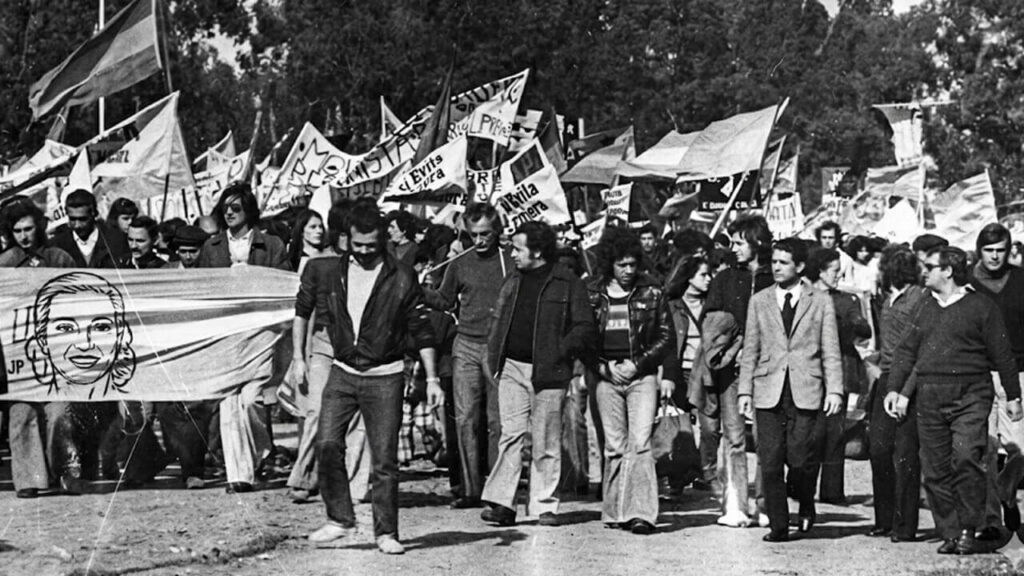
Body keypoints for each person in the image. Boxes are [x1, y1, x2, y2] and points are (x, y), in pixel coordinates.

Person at [297, 202, 440, 555]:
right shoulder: (328, 271)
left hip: (385, 376)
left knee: (384, 458)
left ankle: (386, 531)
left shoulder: (402, 276)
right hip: (343, 372)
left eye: (371, 246)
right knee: (327, 443)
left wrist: (433, 378)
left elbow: (422, 331)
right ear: (347, 239)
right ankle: (340, 518)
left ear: (382, 241)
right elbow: (302, 310)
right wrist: (299, 358)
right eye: (357, 245)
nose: (363, 253)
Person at [888, 246, 1023, 555]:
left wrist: (1013, 396)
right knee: (934, 468)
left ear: (948, 271)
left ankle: (968, 527)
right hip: (930, 395)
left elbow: (1003, 355)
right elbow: (907, 351)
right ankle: (950, 530)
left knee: (965, 458)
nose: (924, 271)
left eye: (930, 266)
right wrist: (896, 388)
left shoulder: (981, 307)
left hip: (972, 394)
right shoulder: (924, 307)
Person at [479, 221, 597, 527]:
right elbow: (498, 319)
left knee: (546, 439)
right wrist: (494, 358)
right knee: (511, 435)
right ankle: (503, 503)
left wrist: (561, 350)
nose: (513, 254)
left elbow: (584, 326)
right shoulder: (513, 279)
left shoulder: (568, 282)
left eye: (518, 248)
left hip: (550, 372)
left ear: (538, 250)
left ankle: (544, 505)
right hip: (512, 368)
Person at [738, 237, 844, 542]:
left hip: (806, 389)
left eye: (784, 262)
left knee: (801, 460)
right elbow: (751, 348)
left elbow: (831, 350)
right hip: (768, 390)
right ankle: (779, 526)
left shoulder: (820, 300)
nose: (776, 267)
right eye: (774, 261)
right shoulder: (760, 300)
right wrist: (745, 391)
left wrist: (834, 390)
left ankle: (806, 501)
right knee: (769, 463)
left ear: (799, 266)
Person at [586, 227, 677, 534]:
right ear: (609, 263)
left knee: (640, 443)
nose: (627, 271)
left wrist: (636, 364)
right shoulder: (592, 292)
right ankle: (614, 510)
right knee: (613, 445)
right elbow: (582, 339)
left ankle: (641, 513)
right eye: (620, 264)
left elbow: (666, 336)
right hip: (605, 377)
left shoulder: (652, 291)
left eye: (632, 264)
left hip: (641, 376)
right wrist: (603, 368)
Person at [198, 183, 288, 493]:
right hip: (226, 335)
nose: (230, 213)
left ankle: (262, 452)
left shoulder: (272, 245)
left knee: (251, 400)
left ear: (249, 210)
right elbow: (200, 292)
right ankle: (240, 475)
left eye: (236, 208)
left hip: (261, 334)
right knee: (228, 404)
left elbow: (284, 286)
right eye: (225, 208)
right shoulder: (210, 248)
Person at [424, 203, 513, 509]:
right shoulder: (459, 263)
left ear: (497, 231)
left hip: (498, 347)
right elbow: (445, 300)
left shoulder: (509, 261)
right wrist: (419, 290)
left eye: (485, 234)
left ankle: (496, 489)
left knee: (497, 421)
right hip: (466, 345)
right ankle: (470, 489)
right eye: (473, 235)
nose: (479, 241)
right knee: (464, 418)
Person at [702, 214, 774, 527]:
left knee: (767, 438)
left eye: (740, 242)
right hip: (732, 371)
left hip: (768, 371)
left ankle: (766, 504)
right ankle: (735, 505)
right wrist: (733, 343)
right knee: (734, 438)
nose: (735, 249)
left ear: (757, 243)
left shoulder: (776, 279)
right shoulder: (724, 279)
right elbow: (712, 322)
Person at [0, 200, 75, 498]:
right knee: (21, 416)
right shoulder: (4, 263)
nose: (24, 236)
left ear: (39, 227)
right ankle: (29, 480)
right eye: (17, 231)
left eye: (29, 229)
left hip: (55, 351)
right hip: (18, 355)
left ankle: (64, 472)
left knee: (59, 415)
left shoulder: (59, 258)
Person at [969, 224, 1024, 539]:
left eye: (1000, 250)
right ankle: (991, 520)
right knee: (985, 450)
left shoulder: (1020, 281)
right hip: (978, 375)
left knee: (1019, 448)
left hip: (1017, 374)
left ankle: (1007, 489)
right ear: (980, 250)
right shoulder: (968, 284)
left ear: (1009, 250)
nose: (994, 256)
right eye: (988, 250)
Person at [868, 246, 925, 542]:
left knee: (904, 455)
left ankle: (905, 525)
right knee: (878, 449)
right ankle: (885, 518)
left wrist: (905, 390)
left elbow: (919, 349)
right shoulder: (887, 299)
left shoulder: (918, 298)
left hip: (908, 381)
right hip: (886, 377)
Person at [805, 248, 871, 504]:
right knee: (808, 432)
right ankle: (801, 487)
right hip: (810, 372)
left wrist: (849, 323)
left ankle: (832, 491)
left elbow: (864, 329)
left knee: (835, 432)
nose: (838, 276)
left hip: (839, 371)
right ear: (820, 271)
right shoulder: (806, 296)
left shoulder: (846, 300)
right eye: (834, 271)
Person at [667, 256, 715, 492]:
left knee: (708, 427)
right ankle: (679, 477)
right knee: (681, 428)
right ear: (688, 277)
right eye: (703, 275)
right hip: (679, 373)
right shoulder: (672, 306)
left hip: (704, 373)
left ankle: (705, 472)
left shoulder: (713, 303)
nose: (709, 279)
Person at [51, 189, 130, 269]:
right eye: (72, 219)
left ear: (94, 214)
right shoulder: (57, 245)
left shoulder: (116, 241)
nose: (77, 225)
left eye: (83, 219)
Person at [287, 209, 329, 273]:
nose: (319, 231)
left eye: (320, 227)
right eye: (313, 227)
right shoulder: (293, 256)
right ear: (301, 231)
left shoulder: (329, 253)